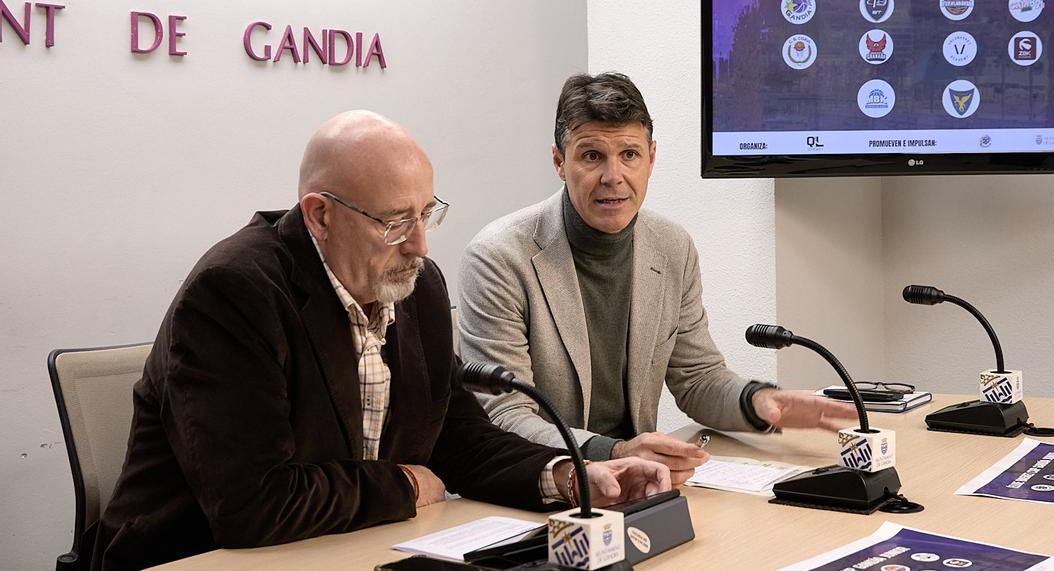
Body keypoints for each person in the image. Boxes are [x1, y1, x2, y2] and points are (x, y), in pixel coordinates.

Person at [92, 110, 669, 571]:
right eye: (395, 223)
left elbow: (459, 439)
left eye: (427, 215)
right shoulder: (235, 292)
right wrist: (402, 483)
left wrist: (572, 476)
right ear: (320, 216)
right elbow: (251, 503)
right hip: (199, 557)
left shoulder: (415, 285)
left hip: (349, 546)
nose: (419, 245)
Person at [457, 73, 857, 487]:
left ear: (650, 158)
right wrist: (614, 452)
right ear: (559, 162)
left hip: (642, 485)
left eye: (629, 154)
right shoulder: (499, 257)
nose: (613, 176)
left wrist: (758, 401)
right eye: (592, 156)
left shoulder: (672, 246)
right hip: (545, 487)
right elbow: (504, 415)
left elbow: (697, 378)